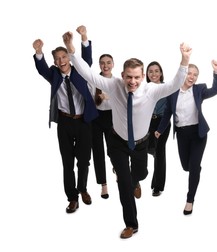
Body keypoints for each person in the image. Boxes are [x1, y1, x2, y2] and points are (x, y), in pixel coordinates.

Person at [62, 29, 192, 238]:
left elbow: (174, 84)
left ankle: (135, 181)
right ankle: (131, 224)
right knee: (124, 183)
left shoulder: (151, 90)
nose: (132, 81)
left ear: (142, 76)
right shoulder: (114, 86)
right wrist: (71, 51)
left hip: (140, 143)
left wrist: (184, 60)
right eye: (129, 77)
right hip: (118, 143)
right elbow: (88, 74)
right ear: (122, 76)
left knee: (140, 173)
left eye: (137, 77)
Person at [32, 25, 98, 214]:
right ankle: (72, 197)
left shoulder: (79, 70)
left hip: (84, 120)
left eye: (64, 57)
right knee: (67, 162)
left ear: (69, 57)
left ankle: (83, 189)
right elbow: (41, 68)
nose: (61, 61)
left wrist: (84, 37)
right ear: (54, 62)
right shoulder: (53, 74)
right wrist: (38, 52)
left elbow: (87, 58)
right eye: (57, 59)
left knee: (84, 160)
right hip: (65, 122)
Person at [156, 61, 217, 215]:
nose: (192, 77)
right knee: (186, 166)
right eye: (189, 73)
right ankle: (195, 168)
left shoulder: (199, 90)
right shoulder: (172, 92)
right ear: (184, 74)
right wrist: (159, 130)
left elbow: (216, 90)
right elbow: (167, 114)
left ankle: (190, 200)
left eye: (195, 75)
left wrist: (216, 72)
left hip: (198, 134)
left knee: (193, 168)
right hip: (182, 135)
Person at [90, 54, 114, 199]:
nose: (105, 66)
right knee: (98, 151)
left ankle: (117, 170)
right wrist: (98, 98)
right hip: (96, 118)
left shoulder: (117, 81)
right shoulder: (94, 81)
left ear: (113, 64)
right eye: (102, 63)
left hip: (112, 117)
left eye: (108, 63)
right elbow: (90, 101)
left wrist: (109, 97)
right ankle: (103, 185)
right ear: (99, 65)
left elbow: (121, 102)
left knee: (113, 148)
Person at [146, 61, 171, 197]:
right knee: (144, 149)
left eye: (156, 71)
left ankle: (157, 186)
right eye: (150, 71)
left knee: (160, 152)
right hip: (147, 122)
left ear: (161, 73)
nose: (154, 74)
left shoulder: (167, 88)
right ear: (147, 74)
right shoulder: (143, 87)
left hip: (163, 122)